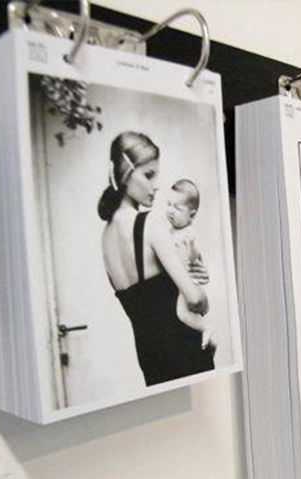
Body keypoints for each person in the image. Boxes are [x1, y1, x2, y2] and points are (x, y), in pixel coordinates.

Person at [98, 131, 215, 387]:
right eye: (149, 175)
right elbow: (195, 300)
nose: (157, 184)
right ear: (126, 174)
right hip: (185, 353)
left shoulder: (105, 238)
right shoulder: (150, 224)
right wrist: (202, 295)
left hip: (150, 360)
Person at [165, 178, 215, 350]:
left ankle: (206, 327)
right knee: (184, 314)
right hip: (180, 281)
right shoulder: (169, 232)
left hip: (189, 281)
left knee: (182, 313)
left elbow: (194, 258)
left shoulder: (188, 233)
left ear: (191, 215)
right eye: (168, 204)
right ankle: (208, 339)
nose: (170, 211)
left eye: (177, 208)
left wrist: (192, 246)